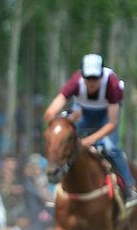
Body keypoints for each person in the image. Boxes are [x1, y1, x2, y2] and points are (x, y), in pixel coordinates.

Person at [44, 53, 137, 206]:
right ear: (83, 76)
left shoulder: (112, 84)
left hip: (106, 117)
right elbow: (50, 112)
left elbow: (112, 123)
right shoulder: (75, 82)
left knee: (110, 148)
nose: (92, 82)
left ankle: (129, 187)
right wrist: (61, 124)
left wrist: (89, 141)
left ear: (101, 75)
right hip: (83, 114)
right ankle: (54, 190)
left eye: (95, 78)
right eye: (88, 78)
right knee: (61, 144)